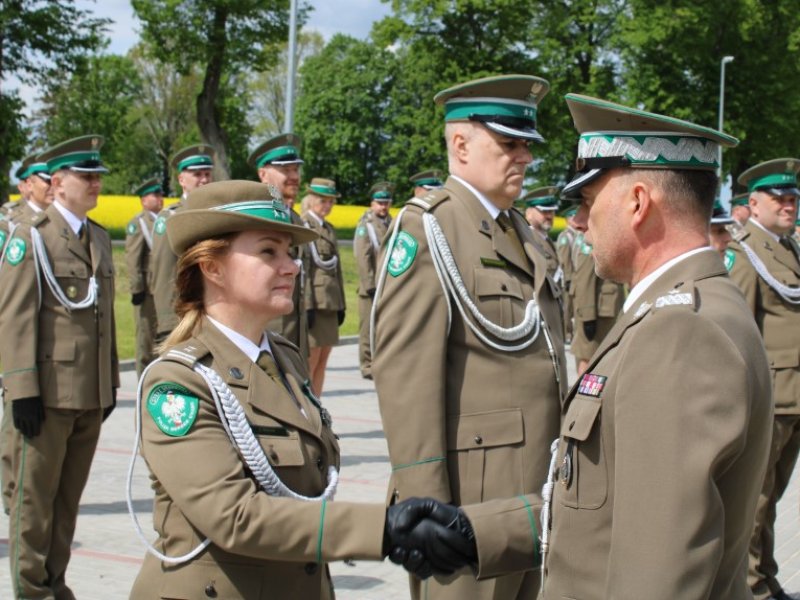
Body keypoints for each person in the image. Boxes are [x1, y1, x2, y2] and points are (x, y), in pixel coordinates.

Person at [386, 94, 774, 600]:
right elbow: (602, 507)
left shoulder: (680, 334)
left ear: (638, 203)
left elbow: (657, 575)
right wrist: (473, 532)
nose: (583, 220)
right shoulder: (682, 310)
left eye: (589, 200)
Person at [127, 179, 422, 599]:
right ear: (212, 267)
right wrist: (383, 529)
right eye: (269, 252)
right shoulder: (179, 382)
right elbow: (233, 516)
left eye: (289, 252)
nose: (292, 266)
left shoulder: (284, 357)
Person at [372, 74, 567, 600]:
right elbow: (405, 376)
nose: (525, 156)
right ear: (460, 145)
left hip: (535, 493)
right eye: (508, 143)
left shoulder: (521, 233)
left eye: (526, 145)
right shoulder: (429, 229)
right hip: (470, 502)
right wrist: (427, 507)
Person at [0, 135, 120, 599]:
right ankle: (31, 592)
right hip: (47, 396)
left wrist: (109, 384)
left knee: (67, 504)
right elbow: (15, 317)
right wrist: (21, 390)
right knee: (33, 505)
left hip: (88, 394)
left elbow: (104, 320)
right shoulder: (31, 236)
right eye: (85, 177)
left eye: (97, 176)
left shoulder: (98, 238)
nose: (95, 184)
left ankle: (56, 585)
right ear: (58, 183)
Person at [726, 158, 800, 600]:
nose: (789, 206)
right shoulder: (746, 251)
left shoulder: (788, 248)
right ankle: (750, 586)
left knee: (773, 496)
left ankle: (765, 575)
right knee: (755, 498)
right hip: (770, 396)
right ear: (754, 204)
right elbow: (738, 331)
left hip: (794, 394)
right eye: (780, 199)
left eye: (793, 199)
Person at [0, 154, 53, 516]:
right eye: (44, 179)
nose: (52, 185)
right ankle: (11, 489)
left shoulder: (55, 226)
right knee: (14, 408)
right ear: (26, 185)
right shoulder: (12, 225)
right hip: (13, 325)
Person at [249, 133, 311, 363]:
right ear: (263, 174)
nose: (294, 176)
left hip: (294, 328)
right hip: (266, 331)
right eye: (286, 170)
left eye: (296, 169)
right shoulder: (253, 220)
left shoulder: (293, 217)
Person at [151, 144, 214, 344]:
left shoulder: (217, 214)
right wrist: (168, 324)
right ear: (181, 180)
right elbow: (163, 273)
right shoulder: (171, 218)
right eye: (197, 174)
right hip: (185, 318)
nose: (204, 180)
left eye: (207, 174)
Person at [301, 178, 346, 397]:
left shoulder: (328, 229)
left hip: (330, 302)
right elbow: (305, 269)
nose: (327, 206)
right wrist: (307, 305)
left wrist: (342, 304)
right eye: (323, 201)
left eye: (330, 202)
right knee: (312, 360)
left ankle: (317, 405)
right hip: (316, 304)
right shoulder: (305, 226)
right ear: (311, 200)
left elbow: (337, 270)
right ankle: (308, 408)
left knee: (323, 360)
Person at [568, 226, 624, 374]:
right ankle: (583, 389)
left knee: (598, 358)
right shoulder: (591, 239)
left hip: (605, 311)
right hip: (596, 314)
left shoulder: (602, 234)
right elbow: (585, 280)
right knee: (588, 358)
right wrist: (588, 316)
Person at [354, 181, 393, 379]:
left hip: (387, 285)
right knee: (368, 328)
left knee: (384, 325)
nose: (383, 207)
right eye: (380, 203)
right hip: (371, 287)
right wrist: (370, 285)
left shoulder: (391, 223)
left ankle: (382, 361)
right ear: (372, 203)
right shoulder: (366, 225)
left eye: (386, 203)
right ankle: (367, 365)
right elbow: (363, 257)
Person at [125, 177, 164, 376]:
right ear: (143, 200)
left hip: (163, 290)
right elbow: (133, 258)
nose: (160, 198)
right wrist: (137, 289)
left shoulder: (164, 220)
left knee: (162, 340)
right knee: (146, 342)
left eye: (160, 194)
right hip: (147, 292)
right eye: (155, 195)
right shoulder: (138, 223)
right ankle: (144, 383)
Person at [521, 186, 561, 282]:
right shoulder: (527, 239)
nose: (549, 216)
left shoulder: (545, 238)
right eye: (544, 211)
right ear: (529, 213)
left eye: (552, 211)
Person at [555, 204, 579, 342]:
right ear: (568, 220)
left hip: (577, 278)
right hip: (568, 279)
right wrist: (568, 279)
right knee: (567, 308)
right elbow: (565, 260)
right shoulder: (565, 236)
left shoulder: (576, 235)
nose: (576, 219)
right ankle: (566, 333)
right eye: (573, 217)